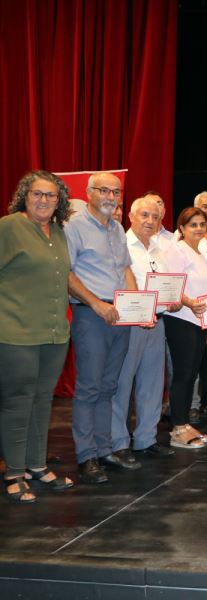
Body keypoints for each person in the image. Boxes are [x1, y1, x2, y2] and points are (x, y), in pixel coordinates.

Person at [0, 170, 74, 502]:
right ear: (25, 197)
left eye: (50, 195)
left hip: (54, 333)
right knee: (18, 401)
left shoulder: (57, 232)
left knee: (43, 400)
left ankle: (36, 465)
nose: (44, 200)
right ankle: (14, 473)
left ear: (59, 201)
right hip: (15, 331)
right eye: (37, 194)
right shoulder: (9, 227)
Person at [65, 172, 140, 483]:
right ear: (89, 192)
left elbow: (125, 269)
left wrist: (136, 304)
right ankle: (86, 456)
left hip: (119, 314)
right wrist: (96, 304)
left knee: (109, 387)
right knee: (89, 387)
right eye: (104, 190)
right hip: (91, 315)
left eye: (116, 192)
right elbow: (66, 273)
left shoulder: (117, 228)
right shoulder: (74, 226)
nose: (111, 196)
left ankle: (104, 449)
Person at [110, 196, 177, 461]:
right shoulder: (121, 245)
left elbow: (165, 286)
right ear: (131, 216)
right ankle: (118, 442)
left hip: (157, 323)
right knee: (122, 385)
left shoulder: (159, 250)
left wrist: (172, 301)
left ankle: (146, 440)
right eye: (145, 215)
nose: (150, 221)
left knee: (152, 385)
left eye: (155, 217)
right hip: (130, 324)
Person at [163, 208, 207, 450]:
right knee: (183, 375)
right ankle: (177, 428)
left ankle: (184, 424)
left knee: (191, 375)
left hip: (198, 322)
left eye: (201, 224)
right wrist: (190, 303)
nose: (198, 228)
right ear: (182, 228)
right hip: (181, 319)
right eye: (192, 224)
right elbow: (171, 283)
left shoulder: (199, 254)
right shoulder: (177, 250)